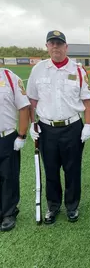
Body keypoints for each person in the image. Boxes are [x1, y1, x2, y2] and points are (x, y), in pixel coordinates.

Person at [26, 30, 90, 224]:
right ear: (47, 46)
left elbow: (87, 101)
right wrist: (33, 124)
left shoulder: (78, 70)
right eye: (51, 43)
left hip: (72, 128)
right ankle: (53, 206)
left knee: (73, 170)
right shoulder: (38, 70)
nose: (55, 46)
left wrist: (87, 125)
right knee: (51, 170)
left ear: (66, 47)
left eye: (59, 43)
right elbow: (32, 100)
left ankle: (72, 206)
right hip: (47, 129)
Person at [0, 68, 30, 231]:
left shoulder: (10, 78)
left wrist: (22, 134)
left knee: (8, 176)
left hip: (6, 137)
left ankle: (9, 213)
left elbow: (24, 107)